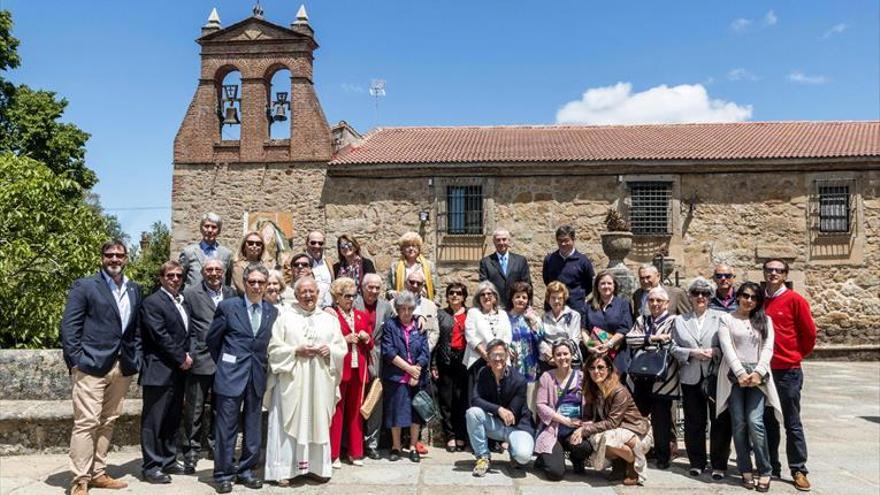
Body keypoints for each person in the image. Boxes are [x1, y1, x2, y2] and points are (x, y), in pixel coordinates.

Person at [60, 240, 143, 495]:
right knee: (86, 423)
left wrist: (135, 355)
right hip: (90, 366)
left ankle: (98, 472)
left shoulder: (134, 288)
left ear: (126, 258)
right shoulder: (85, 286)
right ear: (101, 258)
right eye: (110, 255)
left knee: (108, 421)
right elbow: (69, 327)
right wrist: (76, 361)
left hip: (122, 366)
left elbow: (136, 327)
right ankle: (80, 480)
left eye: (120, 255)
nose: (115, 259)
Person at [264, 277, 347, 483]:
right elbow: (273, 349)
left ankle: (317, 468)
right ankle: (284, 471)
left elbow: (341, 348)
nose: (308, 296)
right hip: (292, 382)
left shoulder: (329, 319)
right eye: (303, 292)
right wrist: (295, 350)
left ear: (318, 293)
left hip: (320, 381)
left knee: (317, 420)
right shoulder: (284, 318)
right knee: (287, 424)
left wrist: (331, 352)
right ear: (297, 294)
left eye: (312, 292)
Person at [206, 265, 278, 493]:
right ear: (244, 283)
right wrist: (227, 363)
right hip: (230, 375)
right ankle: (223, 473)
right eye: (252, 282)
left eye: (261, 282)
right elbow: (212, 340)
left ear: (266, 285)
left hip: (257, 375)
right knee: (226, 427)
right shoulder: (228, 307)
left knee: (253, 426)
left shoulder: (272, 311)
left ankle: (247, 470)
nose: (256, 286)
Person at [717, 282, 783, 492]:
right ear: (738, 296)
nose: (749, 300)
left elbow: (768, 347)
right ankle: (745, 469)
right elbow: (727, 348)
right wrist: (740, 373)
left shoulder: (765, 320)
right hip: (734, 376)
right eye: (745, 296)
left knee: (755, 422)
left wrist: (758, 372)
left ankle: (765, 469)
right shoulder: (726, 319)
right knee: (739, 423)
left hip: (757, 377)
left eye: (754, 298)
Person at [761, 259, 816, 491]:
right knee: (766, 421)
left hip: (788, 371)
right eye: (770, 270)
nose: (773, 273)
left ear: (785, 275)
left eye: (778, 270)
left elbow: (809, 334)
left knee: (792, 422)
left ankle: (798, 469)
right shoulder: (758, 300)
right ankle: (771, 466)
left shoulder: (795, 300)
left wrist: (794, 355)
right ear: (764, 273)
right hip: (763, 370)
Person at [671, 277, 732, 479]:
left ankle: (719, 463)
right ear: (689, 296)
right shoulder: (680, 320)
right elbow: (673, 347)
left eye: (704, 294)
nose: (700, 297)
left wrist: (715, 350)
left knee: (720, 420)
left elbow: (729, 344)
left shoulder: (721, 317)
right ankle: (696, 461)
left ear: (710, 297)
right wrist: (690, 353)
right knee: (693, 421)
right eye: (696, 293)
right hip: (690, 376)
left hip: (715, 376)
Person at [180, 259, 236, 475]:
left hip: (226, 359)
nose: (214, 273)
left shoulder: (231, 293)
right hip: (200, 358)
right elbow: (187, 326)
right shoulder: (192, 294)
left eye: (218, 269)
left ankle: (217, 449)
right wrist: (191, 352)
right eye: (209, 270)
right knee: (194, 408)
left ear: (224, 272)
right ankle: (191, 453)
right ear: (202, 272)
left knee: (221, 408)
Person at [139, 261, 191, 484]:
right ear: (161, 278)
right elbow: (160, 335)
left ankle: (169, 459)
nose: (175, 279)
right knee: (153, 421)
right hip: (159, 370)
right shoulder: (152, 302)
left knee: (172, 418)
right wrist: (182, 358)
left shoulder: (182, 301)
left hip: (178, 372)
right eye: (170, 275)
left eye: (179, 275)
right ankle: (151, 466)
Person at [575, 354, 653, 486]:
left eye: (600, 367)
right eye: (592, 368)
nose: (596, 371)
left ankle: (633, 463)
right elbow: (590, 416)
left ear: (609, 369)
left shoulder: (618, 391)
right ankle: (620, 464)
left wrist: (585, 430)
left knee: (605, 438)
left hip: (637, 434)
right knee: (596, 439)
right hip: (616, 433)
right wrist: (585, 423)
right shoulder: (593, 389)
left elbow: (612, 422)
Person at [625, 286, 679, 470]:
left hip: (663, 378)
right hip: (640, 377)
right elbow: (630, 340)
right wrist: (653, 339)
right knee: (637, 417)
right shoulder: (642, 319)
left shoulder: (674, 321)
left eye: (659, 301)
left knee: (661, 420)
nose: (655, 304)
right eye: (651, 300)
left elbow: (672, 341)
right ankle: (638, 451)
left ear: (667, 303)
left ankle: (663, 456)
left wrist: (646, 340)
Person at [466, 339, 535, 477]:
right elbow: (475, 399)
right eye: (493, 355)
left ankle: (513, 451)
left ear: (507, 356)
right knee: (472, 413)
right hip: (497, 424)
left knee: (523, 456)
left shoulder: (519, 380)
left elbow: (512, 414)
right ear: (488, 357)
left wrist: (500, 411)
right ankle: (483, 457)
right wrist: (498, 409)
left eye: (501, 355)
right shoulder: (483, 373)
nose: (498, 359)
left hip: (517, 427)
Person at [381, 292, 431, 463]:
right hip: (397, 377)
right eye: (403, 309)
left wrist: (417, 369)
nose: (407, 312)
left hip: (417, 377)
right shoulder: (390, 325)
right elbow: (388, 351)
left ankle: (412, 446)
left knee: (416, 413)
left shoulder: (420, 325)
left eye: (410, 309)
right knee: (396, 412)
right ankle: (395, 446)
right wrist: (409, 369)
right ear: (397, 309)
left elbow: (425, 350)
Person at [329, 277, 373, 468]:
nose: (350, 300)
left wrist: (366, 337)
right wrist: (344, 338)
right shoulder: (331, 316)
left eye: (353, 296)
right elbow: (328, 340)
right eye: (347, 296)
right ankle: (333, 454)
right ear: (337, 297)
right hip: (340, 368)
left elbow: (371, 344)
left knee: (356, 411)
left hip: (358, 369)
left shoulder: (361, 315)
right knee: (337, 412)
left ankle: (355, 452)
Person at [534, 341, 592, 481]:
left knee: (585, 447)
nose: (562, 357)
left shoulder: (582, 377)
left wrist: (582, 428)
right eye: (558, 354)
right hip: (554, 429)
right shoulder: (547, 377)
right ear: (553, 357)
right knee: (555, 473)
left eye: (566, 354)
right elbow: (540, 405)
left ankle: (576, 459)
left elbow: (590, 406)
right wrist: (564, 420)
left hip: (575, 429)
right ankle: (544, 458)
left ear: (572, 355)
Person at [353, 273, 394, 460]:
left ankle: (372, 443)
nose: (374, 291)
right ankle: (352, 443)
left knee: (375, 400)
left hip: (377, 359)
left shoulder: (386, 307)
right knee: (355, 400)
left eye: (378, 288)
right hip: (355, 356)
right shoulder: (353, 303)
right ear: (362, 287)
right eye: (370, 287)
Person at [435, 282, 470, 452]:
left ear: (464, 297)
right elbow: (435, 339)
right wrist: (434, 363)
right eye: (451, 293)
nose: (455, 296)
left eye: (458, 293)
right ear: (447, 296)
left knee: (461, 399)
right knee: (446, 399)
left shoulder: (471, 314)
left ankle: (461, 435)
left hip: (464, 360)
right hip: (445, 359)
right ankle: (450, 436)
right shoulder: (441, 314)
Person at [463, 281, 513, 402]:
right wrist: (487, 356)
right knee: (478, 397)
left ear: (495, 297)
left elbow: (507, 336)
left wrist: (499, 355)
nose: (486, 297)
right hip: (479, 360)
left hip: (500, 360)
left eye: (490, 294)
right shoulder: (473, 313)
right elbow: (470, 336)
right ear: (478, 298)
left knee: (499, 396)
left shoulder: (503, 314)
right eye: (483, 294)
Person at [583, 270, 633, 373]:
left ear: (614, 286)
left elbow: (624, 329)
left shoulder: (623, 304)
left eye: (609, 283)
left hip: (617, 354)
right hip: (594, 354)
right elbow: (584, 329)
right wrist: (590, 347)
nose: (606, 286)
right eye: (602, 283)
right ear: (597, 286)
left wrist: (609, 344)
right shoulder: (588, 305)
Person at [541, 225, 595, 317]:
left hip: (576, 307)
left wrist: (577, 295)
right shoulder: (549, 260)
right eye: (560, 241)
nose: (563, 244)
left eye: (566, 240)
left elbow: (590, 283)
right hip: (553, 306)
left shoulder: (583, 261)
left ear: (573, 239)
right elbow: (547, 280)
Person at [507, 281, 543, 411]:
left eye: (524, 297)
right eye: (517, 296)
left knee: (530, 401)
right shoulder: (505, 317)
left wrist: (532, 319)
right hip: (512, 364)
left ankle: (531, 428)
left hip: (530, 365)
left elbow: (541, 335)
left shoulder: (532, 316)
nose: (521, 300)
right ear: (512, 298)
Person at [478, 229, 532, 309]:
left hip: (516, 307)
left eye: (504, 239)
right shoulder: (486, 262)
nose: (501, 242)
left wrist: (528, 305)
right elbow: (484, 286)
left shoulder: (520, 261)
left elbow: (527, 285)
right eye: (498, 240)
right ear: (494, 242)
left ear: (509, 241)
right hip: (495, 307)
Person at [179, 212, 234, 289]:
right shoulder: (188, 252)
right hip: (193, 299)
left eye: (214, 227)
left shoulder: (226, 254)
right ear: (201, 228)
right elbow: (179, 278)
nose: (210, 230)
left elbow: (227, 281)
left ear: (219, 231)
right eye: (206, 226)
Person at [540, 281, 582, 372]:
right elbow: (541, 339)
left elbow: (574, 340)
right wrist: (550, 357)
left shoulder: (574, 315)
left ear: (564, 299)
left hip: (569, 361)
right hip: (549, 361)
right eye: (553, 298)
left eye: (559, 298)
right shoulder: (544, 317)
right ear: (548, 299)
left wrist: (559, 357)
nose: (556, 301)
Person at [386, 231, 439, 302]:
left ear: (419, 248)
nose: (411, 248)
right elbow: (388, 291)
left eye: (414, 245)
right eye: (407, 246)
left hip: (424, 306)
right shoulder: (395, 267)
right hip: (402, 306)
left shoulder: (429, 266)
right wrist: (396, 295)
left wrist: (434, 306)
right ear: (402, 249)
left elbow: (437, 290)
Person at [403, 270, 440, 353]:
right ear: (405, 283)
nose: (415, 285)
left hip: (422, 356)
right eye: (412, 282)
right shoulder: (393, 304)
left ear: (422, 286)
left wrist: (425, 351)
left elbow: (432, 331)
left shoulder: (430, 307)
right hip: (399, 357)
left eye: (418, 283)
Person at [231, 231, 274, 295]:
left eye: (258, 244)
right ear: (244, 246)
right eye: (250, 243)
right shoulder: (238, 266)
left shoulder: (268, 265)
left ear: (262, 247)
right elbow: (242, 289)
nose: (254, 246)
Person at [306, 231, 335, 308]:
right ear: (306, 243)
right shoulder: (299, 262)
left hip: (329, 307)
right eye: (313, 243)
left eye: (320, 243)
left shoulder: (329, 262)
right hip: (309, 307)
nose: (317, 246)